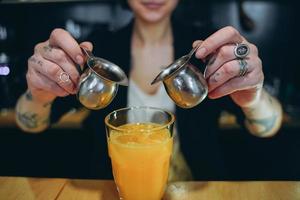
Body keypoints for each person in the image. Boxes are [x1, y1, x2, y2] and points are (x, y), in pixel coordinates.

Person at [15, 0, 282, 180]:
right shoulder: (97, 50)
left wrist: (253, 98)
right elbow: (30, 124)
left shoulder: (209, 51)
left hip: (195, 188)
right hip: (114, 189)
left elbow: (267, 127)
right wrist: (39, 94)